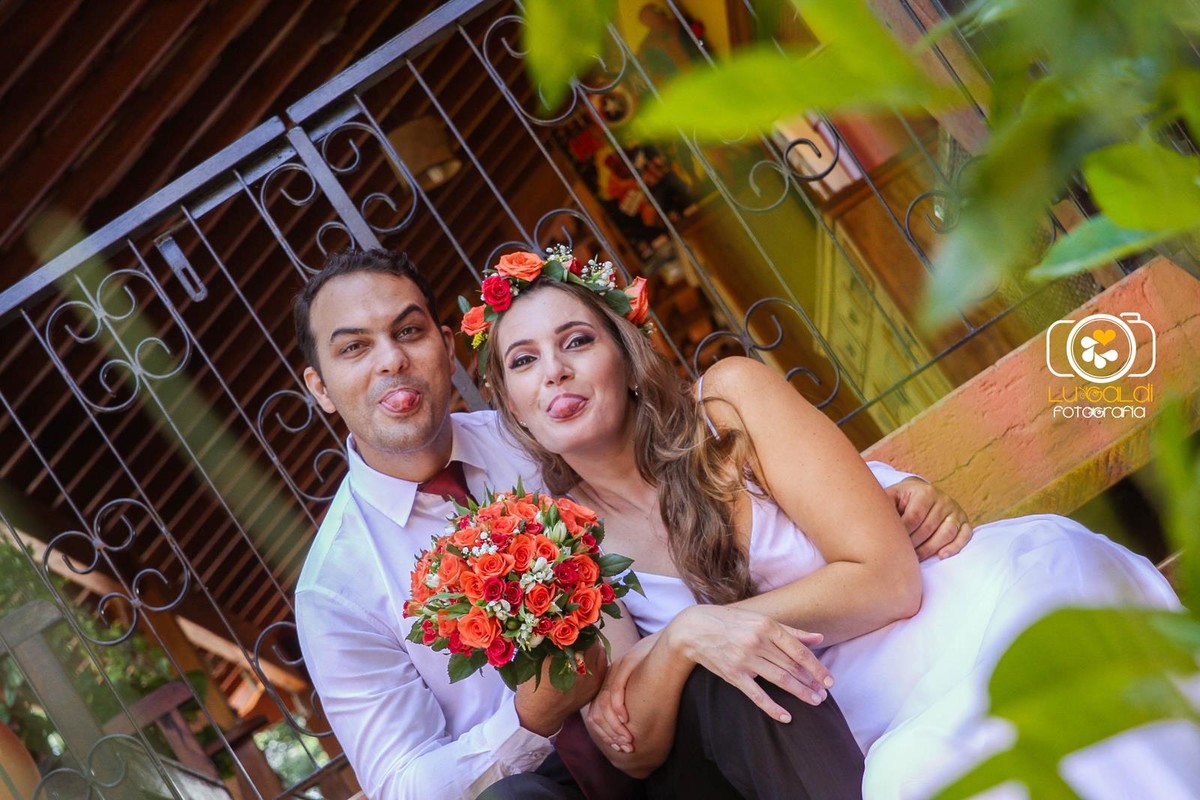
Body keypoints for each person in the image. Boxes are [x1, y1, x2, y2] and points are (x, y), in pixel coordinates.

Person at [473, 248, 1199, 799]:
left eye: (577, 342)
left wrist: (711, 632)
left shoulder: (727, 404)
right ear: (512, 407)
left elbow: (887, 581)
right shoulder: (566, 551)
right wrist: (687, 639)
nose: (555, 374)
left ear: (625, 359)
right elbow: (635, 743)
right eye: (525, 361)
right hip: (851, 728)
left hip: (955, 621)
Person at [291, 249, 969, 799]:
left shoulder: (537, 434)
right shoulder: (337, 590)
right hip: (553, 778)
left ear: (443, 347)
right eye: (354, 348)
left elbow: (687, 448)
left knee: (730, 678)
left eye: (408, 332)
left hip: (716, 722)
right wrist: (531, 716)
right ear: (319, 386)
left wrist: (889, 487)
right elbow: (401, 785)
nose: (391, 360)